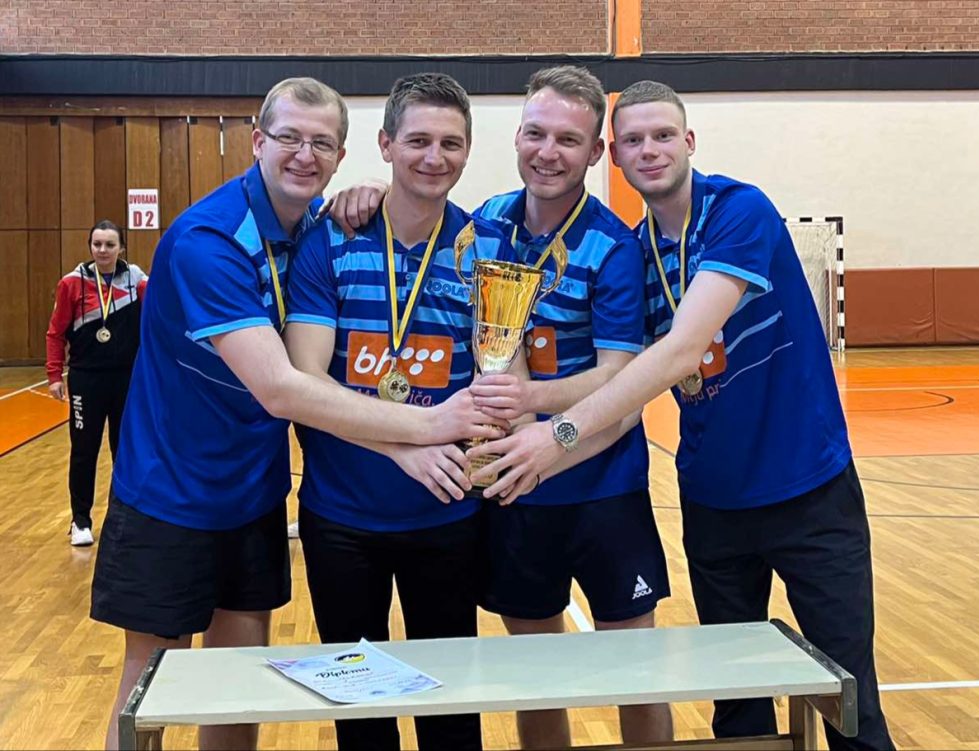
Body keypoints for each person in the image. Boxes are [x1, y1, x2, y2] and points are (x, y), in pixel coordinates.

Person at [472, 80, 895, 751]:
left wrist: (557, 434)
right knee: (739, 706)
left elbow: (678, 352)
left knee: (847, 698)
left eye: (663, 135)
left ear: (689, 141)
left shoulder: (739, 210)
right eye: (634, 139)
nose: (649, 150)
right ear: (614, 155)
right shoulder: (635, 252)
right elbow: (617, 373)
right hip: (712, 501)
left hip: (808, 490)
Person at [90, 77, 502, 751]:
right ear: (257, 141)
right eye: (289, 137)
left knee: (237, 683)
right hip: (171, 494)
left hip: (253, 493)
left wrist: (365, 194)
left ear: (342, 155)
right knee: (151, 688)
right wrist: (429, 428)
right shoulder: (208, 241)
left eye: (322, 143)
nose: (305, 155)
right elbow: (283, 388)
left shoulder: (318, 226)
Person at [329, 66, 672, 750]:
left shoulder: (613, 245)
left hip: (603, 489)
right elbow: (421, 215)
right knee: (534, 677)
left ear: (595, 153)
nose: (548, 152)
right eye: (536, 133)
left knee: (636, 671)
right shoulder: (483, 225)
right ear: (516, 136)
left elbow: (621, 379)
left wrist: (535, 408)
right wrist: (361, 192)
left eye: (569, 140)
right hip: (514, 493)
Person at [284, 72, 518, 751]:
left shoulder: (488, 250)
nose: (433, 157)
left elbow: (499, 382)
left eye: (451, 143)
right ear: (385, 145)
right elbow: (304, 379)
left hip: (447, 516)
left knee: (450, 715)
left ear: (468, 151)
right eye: (417, 140)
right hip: (340, 519)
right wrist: (407, 444)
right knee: (361, 717)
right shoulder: (330, 239)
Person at [45, 220, 147, 546]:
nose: (102, 250)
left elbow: (157, 320)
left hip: (126, 380)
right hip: (86, 380)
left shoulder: (137, 281)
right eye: (97, 244)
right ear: (90, 246)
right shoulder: (71, 284)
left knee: (125, 450)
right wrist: (54, 375)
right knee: (84, 450)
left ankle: (123, 519)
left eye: (109, 245)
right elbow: (55, 333)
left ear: (121, 248)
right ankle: (80, 521)